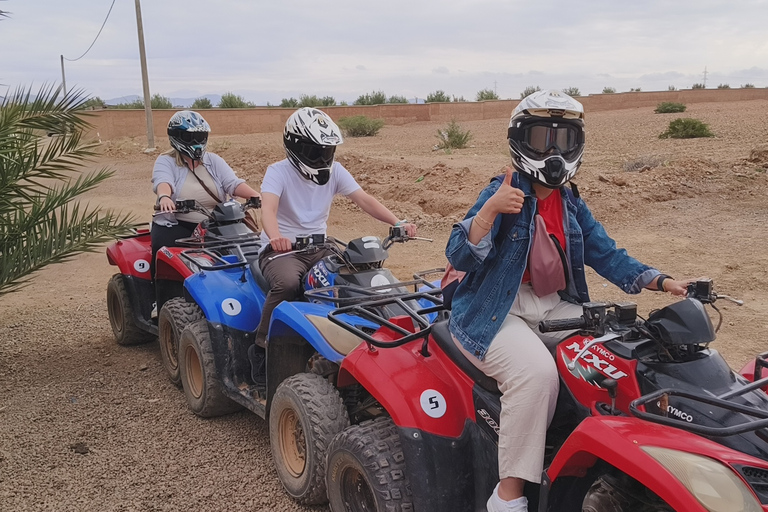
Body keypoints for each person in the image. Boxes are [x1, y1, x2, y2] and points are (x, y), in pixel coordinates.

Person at [445, 90, 691, 512]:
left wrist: (659, 280)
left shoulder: (570, 201)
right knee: (536, 375)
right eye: (543, 139)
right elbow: (457, 255)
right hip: (492, 311)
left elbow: (606, 253)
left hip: (552, 305)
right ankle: (507, 495)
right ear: (521, 140)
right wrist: (488, 214)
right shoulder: (503, 191)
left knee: (624, 351)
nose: (554, 151)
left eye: (564, 139)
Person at [250, 107, 417, 382]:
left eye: (327, 151)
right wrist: (275, 235)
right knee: (289, 284)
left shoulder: (336, 171)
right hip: (282, 251)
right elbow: (268, 209)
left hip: (320, 247)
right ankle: (261, 347)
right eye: (316, 151)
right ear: (296, 147)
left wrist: (397, 222)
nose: (323, 158)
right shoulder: (277, 172)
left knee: (354, 276)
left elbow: (364, 200)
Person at [151, 110, 260, 286]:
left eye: (200, 136)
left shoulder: (213, 160)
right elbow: (163, 181)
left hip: (215, 224)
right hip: (179, 224)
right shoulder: (166, 161)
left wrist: (255, 195)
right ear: (177, 137)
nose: (196, 142)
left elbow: (232, 183)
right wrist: (164, 197)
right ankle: (159, 297)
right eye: (190, 137)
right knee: (164, 252)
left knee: (249, 249)